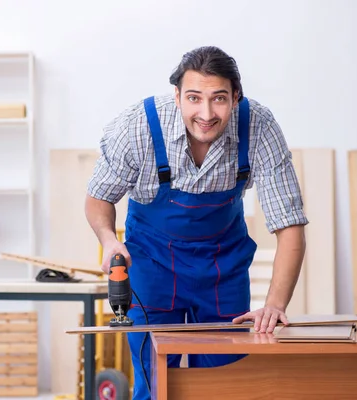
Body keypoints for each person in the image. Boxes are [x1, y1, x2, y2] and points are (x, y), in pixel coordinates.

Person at [85, 45, 308, 399]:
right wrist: (109, 239)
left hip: (222, 269)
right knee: (155, 383)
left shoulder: (259, 127)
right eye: (194, 98)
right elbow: (98, 198)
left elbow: (290, 226)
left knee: (224, 383)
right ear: (177, 96)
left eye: (219, 98)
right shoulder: (138, 127)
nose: (206, 113)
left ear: (236, 97)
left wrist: (276, 304)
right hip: (152, 266)